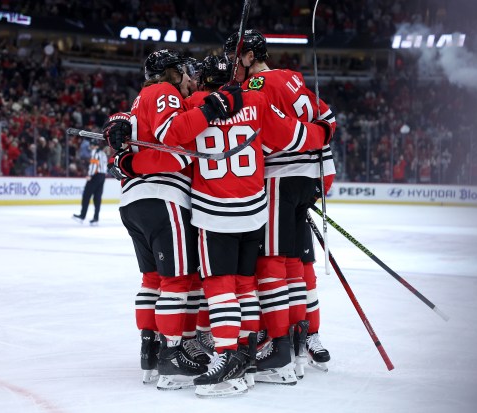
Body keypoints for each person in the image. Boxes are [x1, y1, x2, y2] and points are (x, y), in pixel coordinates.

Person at [111, 54, 334, 397]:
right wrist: (322, 131)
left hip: (213, 212)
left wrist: (127, 153)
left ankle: (221, 354)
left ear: (202, 82)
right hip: (255, 209)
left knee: (214, 285)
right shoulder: (255, 100)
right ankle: (252, 351)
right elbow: (286, 139)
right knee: (249, 283)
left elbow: (164, 134)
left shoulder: (193, 105)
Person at [102, 49, 243, 390]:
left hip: (133, 202)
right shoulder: (164, 92)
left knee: (152, 280)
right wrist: (213, 108)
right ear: (171, 72)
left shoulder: (139, 100)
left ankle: (150, 351)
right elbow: (172, 140)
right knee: (177, 282)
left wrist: (127, 161)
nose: (190, 77)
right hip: (164, 198)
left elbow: (134, 143)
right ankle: (171, 355)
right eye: (184, 71)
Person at [225, 29, 336, 380]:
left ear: (248, 57)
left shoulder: (255, 86)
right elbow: (328, 119)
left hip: (281, 179)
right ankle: (299, 339)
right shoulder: (292, 80)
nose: (232, 68)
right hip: (309, 179)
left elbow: (274, 133)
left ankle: (279, 345)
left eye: (234, 60)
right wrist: (318, 164)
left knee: (272, 263)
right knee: (293, 263)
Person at [72, 140, 107, 225]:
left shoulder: (95, 152)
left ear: (93, 145)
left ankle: (82, 216)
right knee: (97, 198)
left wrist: (90, 175)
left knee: (86, 196)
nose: (90, 147)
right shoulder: (103, 153)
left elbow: (94, 165)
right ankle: (96, 218)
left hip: (95, 175)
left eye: (91, 145)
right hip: (102, 176)